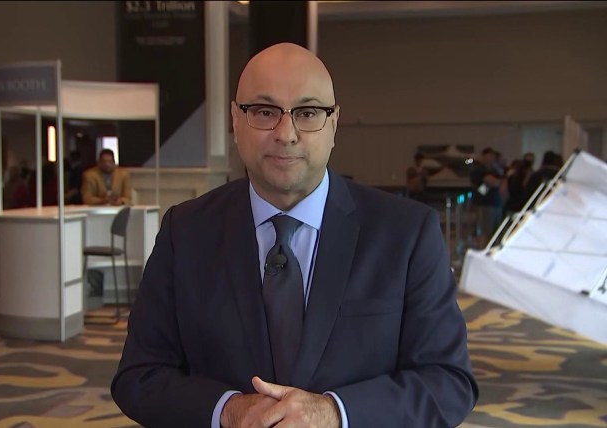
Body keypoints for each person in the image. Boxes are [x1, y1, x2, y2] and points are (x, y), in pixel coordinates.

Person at [112, 43, 478, 427]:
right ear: (236, 120)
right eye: (264, 112)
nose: (286, 134)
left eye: (307, 113)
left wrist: (334, 413)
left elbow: (448, 381)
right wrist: (228, 410)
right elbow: (140, 375)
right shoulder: (185, 231)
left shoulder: (406, 233)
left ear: (334, 124)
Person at [469, 147, 504, 247]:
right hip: (485, 204)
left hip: (495, 203)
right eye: (490, 156)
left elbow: (499, 182)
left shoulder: (493, 169)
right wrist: (492, 183)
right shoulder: (478, 169)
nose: (492, 158)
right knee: (486, 231)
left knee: (496, 232)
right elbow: (482, 188)